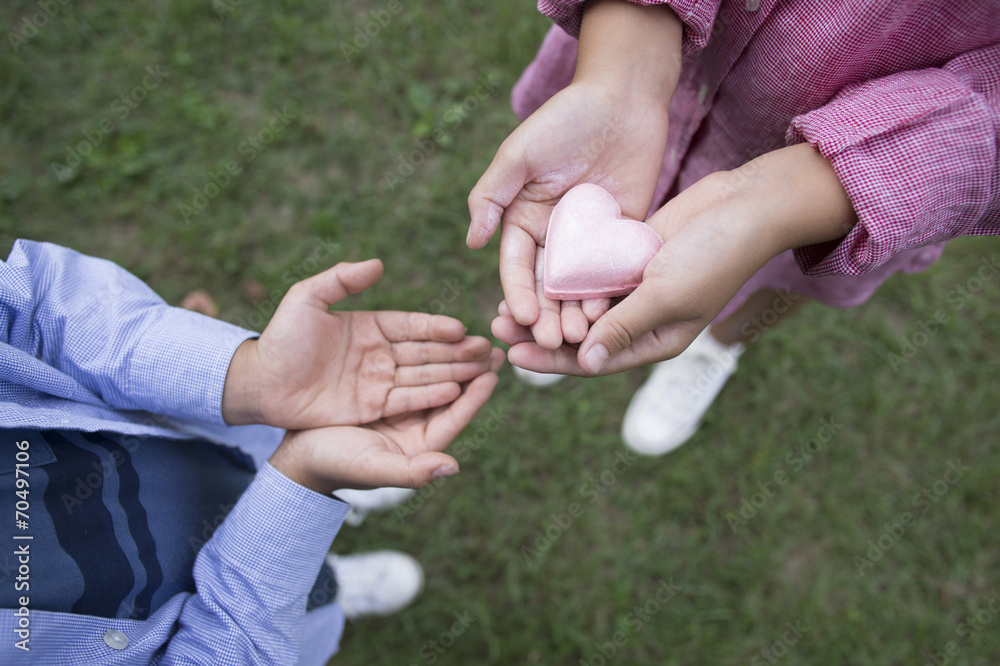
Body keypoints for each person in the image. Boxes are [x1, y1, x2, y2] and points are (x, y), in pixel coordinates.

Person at [469, 0, 1000, 455]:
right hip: (657, 59)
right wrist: (625, 70)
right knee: (624, 226)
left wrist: (785, 200)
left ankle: (718, 345)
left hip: (846, 170)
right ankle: (582, 295)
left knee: (789, 270)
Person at [0, 239, 503, 664]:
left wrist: (249, 379)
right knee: (298, 590)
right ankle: (324, 584)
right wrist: (303, 479)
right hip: (216, 622)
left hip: (177, 446)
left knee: (244, 454)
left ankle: (313, 492)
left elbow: (31, 312)